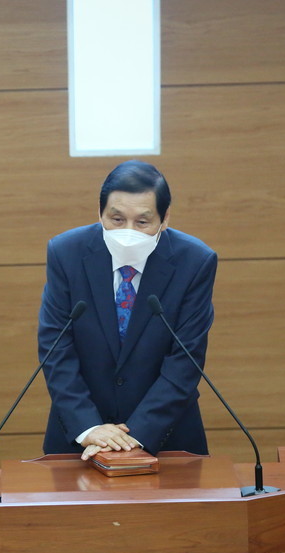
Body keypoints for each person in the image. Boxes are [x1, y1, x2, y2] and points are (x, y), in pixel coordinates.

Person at [38, 160, 216, 461]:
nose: (128, 231)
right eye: (116, 219)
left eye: (142, 222)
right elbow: (56, 348)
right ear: (100, 212)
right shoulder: (66, 252)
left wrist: (135, 435)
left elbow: (185, 360)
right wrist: (89, 427)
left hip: (167, 438)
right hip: (80, 438)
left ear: (165, 218)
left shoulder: (195, 261)